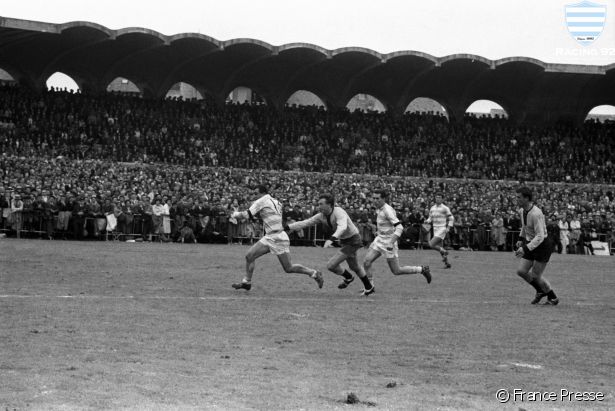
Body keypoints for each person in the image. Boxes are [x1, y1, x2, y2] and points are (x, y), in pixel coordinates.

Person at [230, 185, 323, 291]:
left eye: (256, 193)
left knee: (288, 268)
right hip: (271, 236)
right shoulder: (277, 201)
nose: (254, 196)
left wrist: (235, 214)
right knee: (249, 256)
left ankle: (314, 273)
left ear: (263, 193)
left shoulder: (261, 201)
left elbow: (246, 215)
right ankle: (246, 282)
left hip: (277, 237)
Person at [285, 193, 374, 293]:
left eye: (321, 204)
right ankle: (368, 286)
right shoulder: (321, 216)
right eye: (318, 204)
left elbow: (342, 227)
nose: (319, 206)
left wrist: (331, 239)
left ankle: (350, 278)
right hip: (345, 241)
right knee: (354, 266)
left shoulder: (339, 212)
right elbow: (306, 222)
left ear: (330, 205)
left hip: (353, 240)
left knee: (331, 265)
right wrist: (287, 227)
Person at [362, 190, 431, 296]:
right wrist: (379, 232)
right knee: (366, 262)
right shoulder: (379, 209)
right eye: (374, 198)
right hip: (380, 240)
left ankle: (422, 269)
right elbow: (386, 225)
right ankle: (370, 287)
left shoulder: (387, 210)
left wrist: (391, 242)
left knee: (396, 270)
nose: (375, 200)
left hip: (389, 243)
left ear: (384, 199)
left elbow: (399, 227)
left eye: (377, 198)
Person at [514, 187, 559, 305]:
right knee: (521, 271)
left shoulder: (536, 213)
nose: (516, 199)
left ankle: (552, 297)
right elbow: (524, 227)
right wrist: (520, 238)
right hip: (531, 244)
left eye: (519, 197)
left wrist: (524, 248)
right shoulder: (521, 210)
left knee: (535, 275)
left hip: (543, 245)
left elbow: (540, 236)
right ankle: (540, 291)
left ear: (526, 198)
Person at [426, 193, 454, 268]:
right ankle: (447, 264)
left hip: (442, 228)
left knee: (431, 244)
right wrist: (427, 221)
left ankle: (445, 251)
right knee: (440, 247)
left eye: (439, 198)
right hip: (435, 228)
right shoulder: (432, 208)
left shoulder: (445, 208)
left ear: (442, 199)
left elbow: (451, 218)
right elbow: (430, 218)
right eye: (437, 197)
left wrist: (448, 227)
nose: (438, 199)